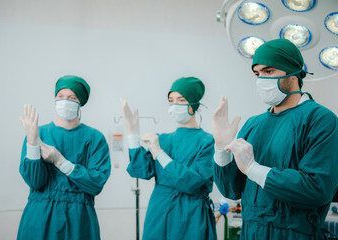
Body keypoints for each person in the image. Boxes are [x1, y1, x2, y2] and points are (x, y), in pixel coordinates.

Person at [212, 39, 338, 239]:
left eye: (269, 72)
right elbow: (232, 191)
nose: (261, 80)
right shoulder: (253, 125)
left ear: (293, 74)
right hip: (250, 233)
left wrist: (253, 169)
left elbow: (317, 189)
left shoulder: (320, 120)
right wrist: (221, 149)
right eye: (257, 73)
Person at [121, 77, 217, 240]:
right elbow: (140, 170)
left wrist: (160, 154)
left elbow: (192, 181)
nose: (175, 105)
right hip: (160, 211)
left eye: (181, 100)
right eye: (171, 101)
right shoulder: (163, 139)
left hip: (191, 212)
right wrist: (132, 135)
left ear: (194, 104)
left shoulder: (207, 141)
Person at [18, 75, 111, 240]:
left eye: (71, 97)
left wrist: (61, 162)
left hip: (79, 219)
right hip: (41, 215)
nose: (64, 101)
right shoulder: (39, 133)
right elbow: (35, 182)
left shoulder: (95, 138)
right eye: (60, 96)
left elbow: (95, 183)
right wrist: (32, 142)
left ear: (80, 102)